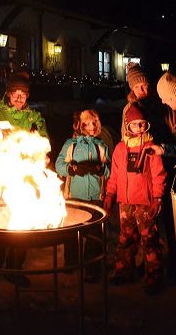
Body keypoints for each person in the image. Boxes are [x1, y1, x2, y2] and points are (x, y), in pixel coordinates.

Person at [0, 71, 48, 293]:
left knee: (21, 223)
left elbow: (43, 140)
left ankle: (15, 269)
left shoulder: (33, 116)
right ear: (8, 94)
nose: (19, 99)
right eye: (16, 94)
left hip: (25, 176)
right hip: (3, 176)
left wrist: (40, 149)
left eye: (23, 95)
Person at [103, 102, 167, 294]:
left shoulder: (150, 148)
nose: (138, 128)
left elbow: (159, 175)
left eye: (142, 124)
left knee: (149, 241)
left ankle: (153, 278)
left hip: (146, 203)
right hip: (125, 203)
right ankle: (124, 271)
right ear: (127, 125)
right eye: (134, 124)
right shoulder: (120, 149)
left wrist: (157, 198)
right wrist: (110, 195)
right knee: (126, 239)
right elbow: (114, 175)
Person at [55, 109, 110, 282]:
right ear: (80, 125)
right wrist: (73, 169)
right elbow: (59, 165)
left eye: (94, 123)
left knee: (95, 234)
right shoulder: (70, 144)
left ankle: (91, 267)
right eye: (87, 123)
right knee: (71, 232)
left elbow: (110, 171)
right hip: (74, 196)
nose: (91, 127)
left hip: (95, 197)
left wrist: (101, 169)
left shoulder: (101, 145)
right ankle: (70, 262)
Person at [154, 71, 176, 279]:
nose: (162, 101)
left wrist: (165, 148)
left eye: (165, 98)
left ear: (175, 96)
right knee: (173, 221)